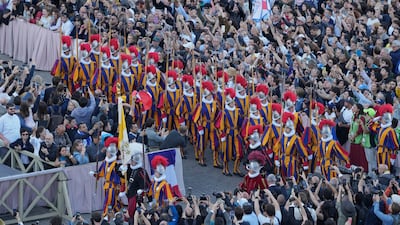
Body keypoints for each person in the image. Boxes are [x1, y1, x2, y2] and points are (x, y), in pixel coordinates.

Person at [119, 146, 150, 221]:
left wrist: (142, 189)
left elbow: (146, 183)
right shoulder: (131, 169)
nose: (131, 162)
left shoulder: (141, 172)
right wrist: (121, 170)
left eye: (132, 161)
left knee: (132, 213)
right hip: (130, 194)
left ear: (136, 161)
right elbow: (124, 176)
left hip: (135, 196)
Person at [91, 137, 121, 216]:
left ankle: (106, 214)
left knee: (109, 200)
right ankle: (114, 212)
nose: (106, 153)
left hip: (112, 185)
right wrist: (95, 173)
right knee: (110, 200)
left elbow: (117, 175)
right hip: (106, 184)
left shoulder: (115, 164)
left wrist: (117, 184)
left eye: (108, 152)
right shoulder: (105, 162)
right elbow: (101, 172)